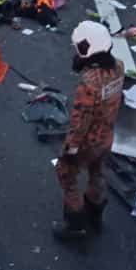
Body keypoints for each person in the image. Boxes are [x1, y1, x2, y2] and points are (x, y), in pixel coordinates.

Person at [53, 21, 124, 242]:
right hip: (107, 137)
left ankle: (75, 226)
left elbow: (80, 121)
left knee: (66, 174)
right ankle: (95, 216)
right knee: (97, 173)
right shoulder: (119, 67)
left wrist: (70, 149)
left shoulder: (89, 84)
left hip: (87, 142)